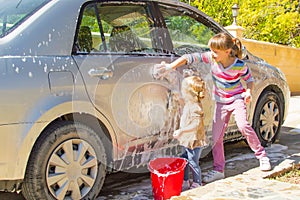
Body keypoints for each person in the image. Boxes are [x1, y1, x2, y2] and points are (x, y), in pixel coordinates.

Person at [153, 32, 272, 184]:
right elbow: (189, 58)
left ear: (228, 51)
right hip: (221, 102)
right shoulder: (211, 58)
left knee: (243, 125)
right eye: (211, 51)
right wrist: (170, 66)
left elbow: (249, 79)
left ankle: (262, 156)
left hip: (236, 99)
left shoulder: (239, 65)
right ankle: (218, 170)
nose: (212, 54)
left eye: (216, 51)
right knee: (216, 138)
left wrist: (248, 91)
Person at [173, 75, 207, 190]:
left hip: (194, 140)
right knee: (184, 159)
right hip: (187, 139)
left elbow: (195, 125)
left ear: (190, 93)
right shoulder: (190, 103)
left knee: (193, 161)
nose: (182, 92)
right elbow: (184, 105)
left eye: (183, 90)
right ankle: (185, 180)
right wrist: (178, 99)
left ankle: (197, 182)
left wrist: (181, 131)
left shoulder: (196, 108)